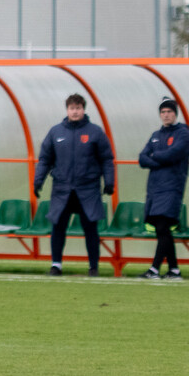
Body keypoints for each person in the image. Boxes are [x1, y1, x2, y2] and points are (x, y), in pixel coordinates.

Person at [33, 93, 115, 276]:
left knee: (90, 228)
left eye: (78, 108)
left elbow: (107, 159)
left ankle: (93, 267)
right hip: (62, 189)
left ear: (83, 109)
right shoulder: (56, 132)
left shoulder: (95, 132)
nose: (75, 111)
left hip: (88, 189)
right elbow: (45, 159)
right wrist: (38, 181)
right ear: (67, 110)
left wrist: (109, 182)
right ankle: (56, 265)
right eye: (72, 108)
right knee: (58, 227)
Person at [137, 98, 189, 280]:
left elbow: (173, 154)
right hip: (154, 188)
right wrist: (158, 158)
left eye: (169, 111)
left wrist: (154, 156)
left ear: (175, 113)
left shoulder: (184, 134)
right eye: (163, 112)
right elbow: (142, 158)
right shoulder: (156, 134)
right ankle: (174, 270)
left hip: (172, 187)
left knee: (163, 226)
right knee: (162, 229)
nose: (166, 115)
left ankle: (154, 269)